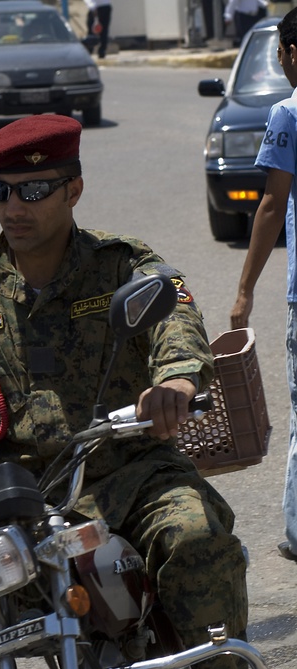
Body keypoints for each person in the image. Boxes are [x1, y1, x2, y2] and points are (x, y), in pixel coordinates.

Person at [0, 115, 249, 668]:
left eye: (35, 190)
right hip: (20, 503)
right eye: (1, 190)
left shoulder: (124, 266)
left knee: (196, 538)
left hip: (131, 474)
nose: (15, 207)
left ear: (74, 190)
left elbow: (176, 322)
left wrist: (176, 381)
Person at [231, 7, 297, 564]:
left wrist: (245, 288)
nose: (279, 62)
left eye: (279, 53)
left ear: (292, 54)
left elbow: (272, 205)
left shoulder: (288, 112)